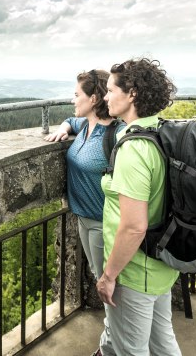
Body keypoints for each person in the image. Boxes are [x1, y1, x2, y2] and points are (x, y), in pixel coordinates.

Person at [95, 58, 181, 356]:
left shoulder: (134, 148)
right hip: (161, 264)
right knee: (162, 343)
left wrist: (108, 276)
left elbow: (134, 226)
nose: (105, 97)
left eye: (109, 90)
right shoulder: (160, 130)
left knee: (130, 350)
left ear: (131, 93)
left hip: (134, 271)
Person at [45, 69, 122, 280]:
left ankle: (116, 314)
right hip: (83, 218)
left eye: (77, 95)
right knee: (97, 273)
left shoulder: (116, 134)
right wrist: (63, 128)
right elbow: (71, 120)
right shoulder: (86, 125)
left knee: (108, 278)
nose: (73, 100)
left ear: (94, 99)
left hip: (103, 222)